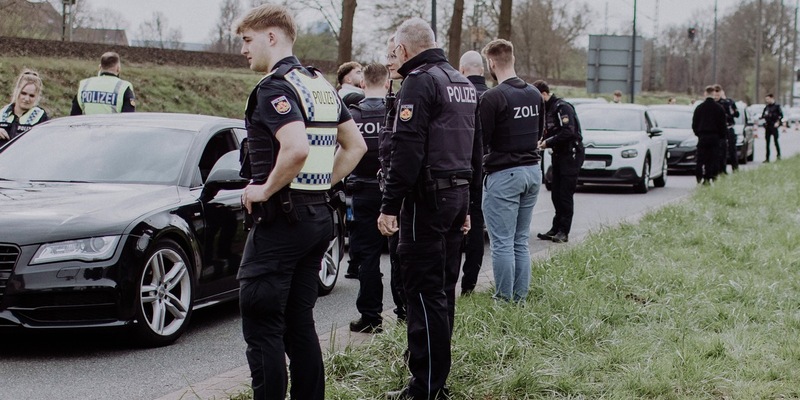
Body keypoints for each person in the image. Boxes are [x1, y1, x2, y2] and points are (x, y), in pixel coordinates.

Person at [234, 5, 366, 400]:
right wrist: (320, 183)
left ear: (271, 37)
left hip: (281, 224)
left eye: (247, 40)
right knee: (298, 324)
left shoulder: (275, 87)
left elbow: (294, 150)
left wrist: (264, 189)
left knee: (262, 327)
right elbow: (355, 145)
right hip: (317, 218)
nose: (243, 50)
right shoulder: (320, 84)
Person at [377, 17, 480, 400]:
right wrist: (469, 204)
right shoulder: (462, 83)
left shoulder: (419, 81)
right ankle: (436, 382)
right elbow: (474, 153)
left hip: (425, 200)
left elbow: (407, 150)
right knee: (442, 292)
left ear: (403, 50)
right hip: (455, 196)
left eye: (394, 52)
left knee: (423, 292)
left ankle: (425, 388)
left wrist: (390, 205)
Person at [479, 38, 543, 302]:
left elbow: (480, 141)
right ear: (512, 58)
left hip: (505, 175)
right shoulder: (534, 94)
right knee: (519, 241)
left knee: (502, 243)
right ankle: (520, 297)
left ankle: (503, 299)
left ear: (491, 63)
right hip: (532, 171)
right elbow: (539, 134)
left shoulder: (492, 97)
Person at [347, 63, 390, 334]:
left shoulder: (352, 115)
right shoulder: (395, 112)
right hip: (392, 192)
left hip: (362, 191)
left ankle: (371, 317)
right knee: (399, 255)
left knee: (368, 256)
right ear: (387, 83)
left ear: (362, 83)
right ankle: (405, 311)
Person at [534, 80, 584, 244]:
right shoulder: (548, 109)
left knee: (565, 194)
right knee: (555, 193)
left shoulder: (562, 108)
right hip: (558, 155)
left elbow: (568, 132)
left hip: (571, 155)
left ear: (544, 94)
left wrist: (547, 142)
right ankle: (556, 228)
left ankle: (564, 231)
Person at [457, 50, 489, 296]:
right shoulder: (493, 96)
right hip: (487, 170)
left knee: (456, 225)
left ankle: (451, 281)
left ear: (462, 69)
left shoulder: (458, 96)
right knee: (476, 226)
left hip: (459, 168)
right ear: (483, 69)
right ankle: (470, 283)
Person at [380, 35, 407, 322]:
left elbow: (396, 147)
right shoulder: (396, 94)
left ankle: (404, 313)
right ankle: (402, 311)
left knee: (401, 259)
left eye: (392, 55)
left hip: (404, 194)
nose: (388, 61)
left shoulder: (409, 93)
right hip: (393, 186)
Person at [70, 52, 136, 115]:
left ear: (100, 67)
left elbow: (74, 116)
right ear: (118, 69)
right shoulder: (123, 87)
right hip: (113, 126)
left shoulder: (85, 85)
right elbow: (127, 118)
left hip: (87, 126)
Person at [0, 69, 48, 146]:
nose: (26, 99)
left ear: (37, 96)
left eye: (31, 95)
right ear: (17, 91)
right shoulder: (3, 113)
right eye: (23, 93)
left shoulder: (40, 116)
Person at [692, 85, 727, 185]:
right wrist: (721, 136)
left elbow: (695, 123)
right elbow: (722, 125)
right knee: (713, 157)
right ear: (713, 94)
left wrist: (698, 133)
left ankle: (699, 175)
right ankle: (710, 176)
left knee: (701, 157)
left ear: (705, 94)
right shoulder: (719, 108)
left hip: (703, 136)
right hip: (715, 136)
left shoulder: (699, 108)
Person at [714, 84, 739, 172]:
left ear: (721, 92)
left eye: (718, 93)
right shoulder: (714, 104)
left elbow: (736, 114)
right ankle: (722, 169)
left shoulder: (729, 102)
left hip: (729, 127)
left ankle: (735, 168)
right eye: (715, 94)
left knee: (732, 149)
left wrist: (730, 111)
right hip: (719, 129)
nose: (716, 96)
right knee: (721, 150)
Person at [761, 93, 783, 162]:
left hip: (774, 126)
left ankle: (778, 156)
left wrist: (778, 122)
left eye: (768, 99)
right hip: (768, 126)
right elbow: (763, 115)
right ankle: (767, 158)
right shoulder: (766, 107)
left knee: (776, 141)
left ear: (772, 98)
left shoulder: (777, 107)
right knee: (767, 143)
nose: (767, 100)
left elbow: (781, 116)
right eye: (766, 99)